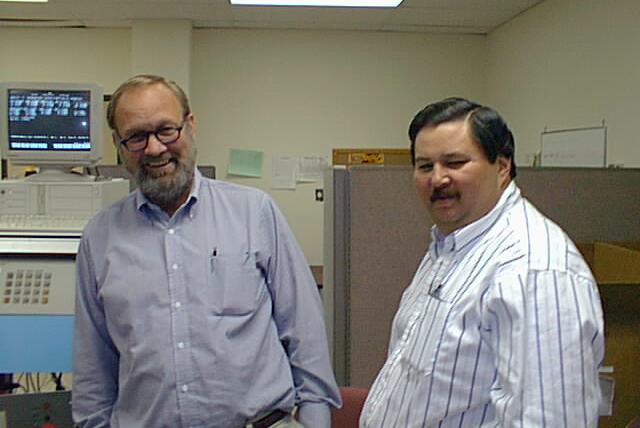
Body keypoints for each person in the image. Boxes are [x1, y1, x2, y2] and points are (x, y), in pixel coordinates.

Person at [72, 75, 340, 428]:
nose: (154, 148)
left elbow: (305, 333)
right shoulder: (99, 238)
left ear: (191, 126)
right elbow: (93, 369)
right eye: (136, 136)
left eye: (166, 130)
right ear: (118, 144)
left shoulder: (254, 212)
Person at [360, 97, 605, 427]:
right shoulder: (451, 246)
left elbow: (549, 419)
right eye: (425, 166)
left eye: (455, 162)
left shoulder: (533, 270)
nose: (438, 179)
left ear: (502, 167)